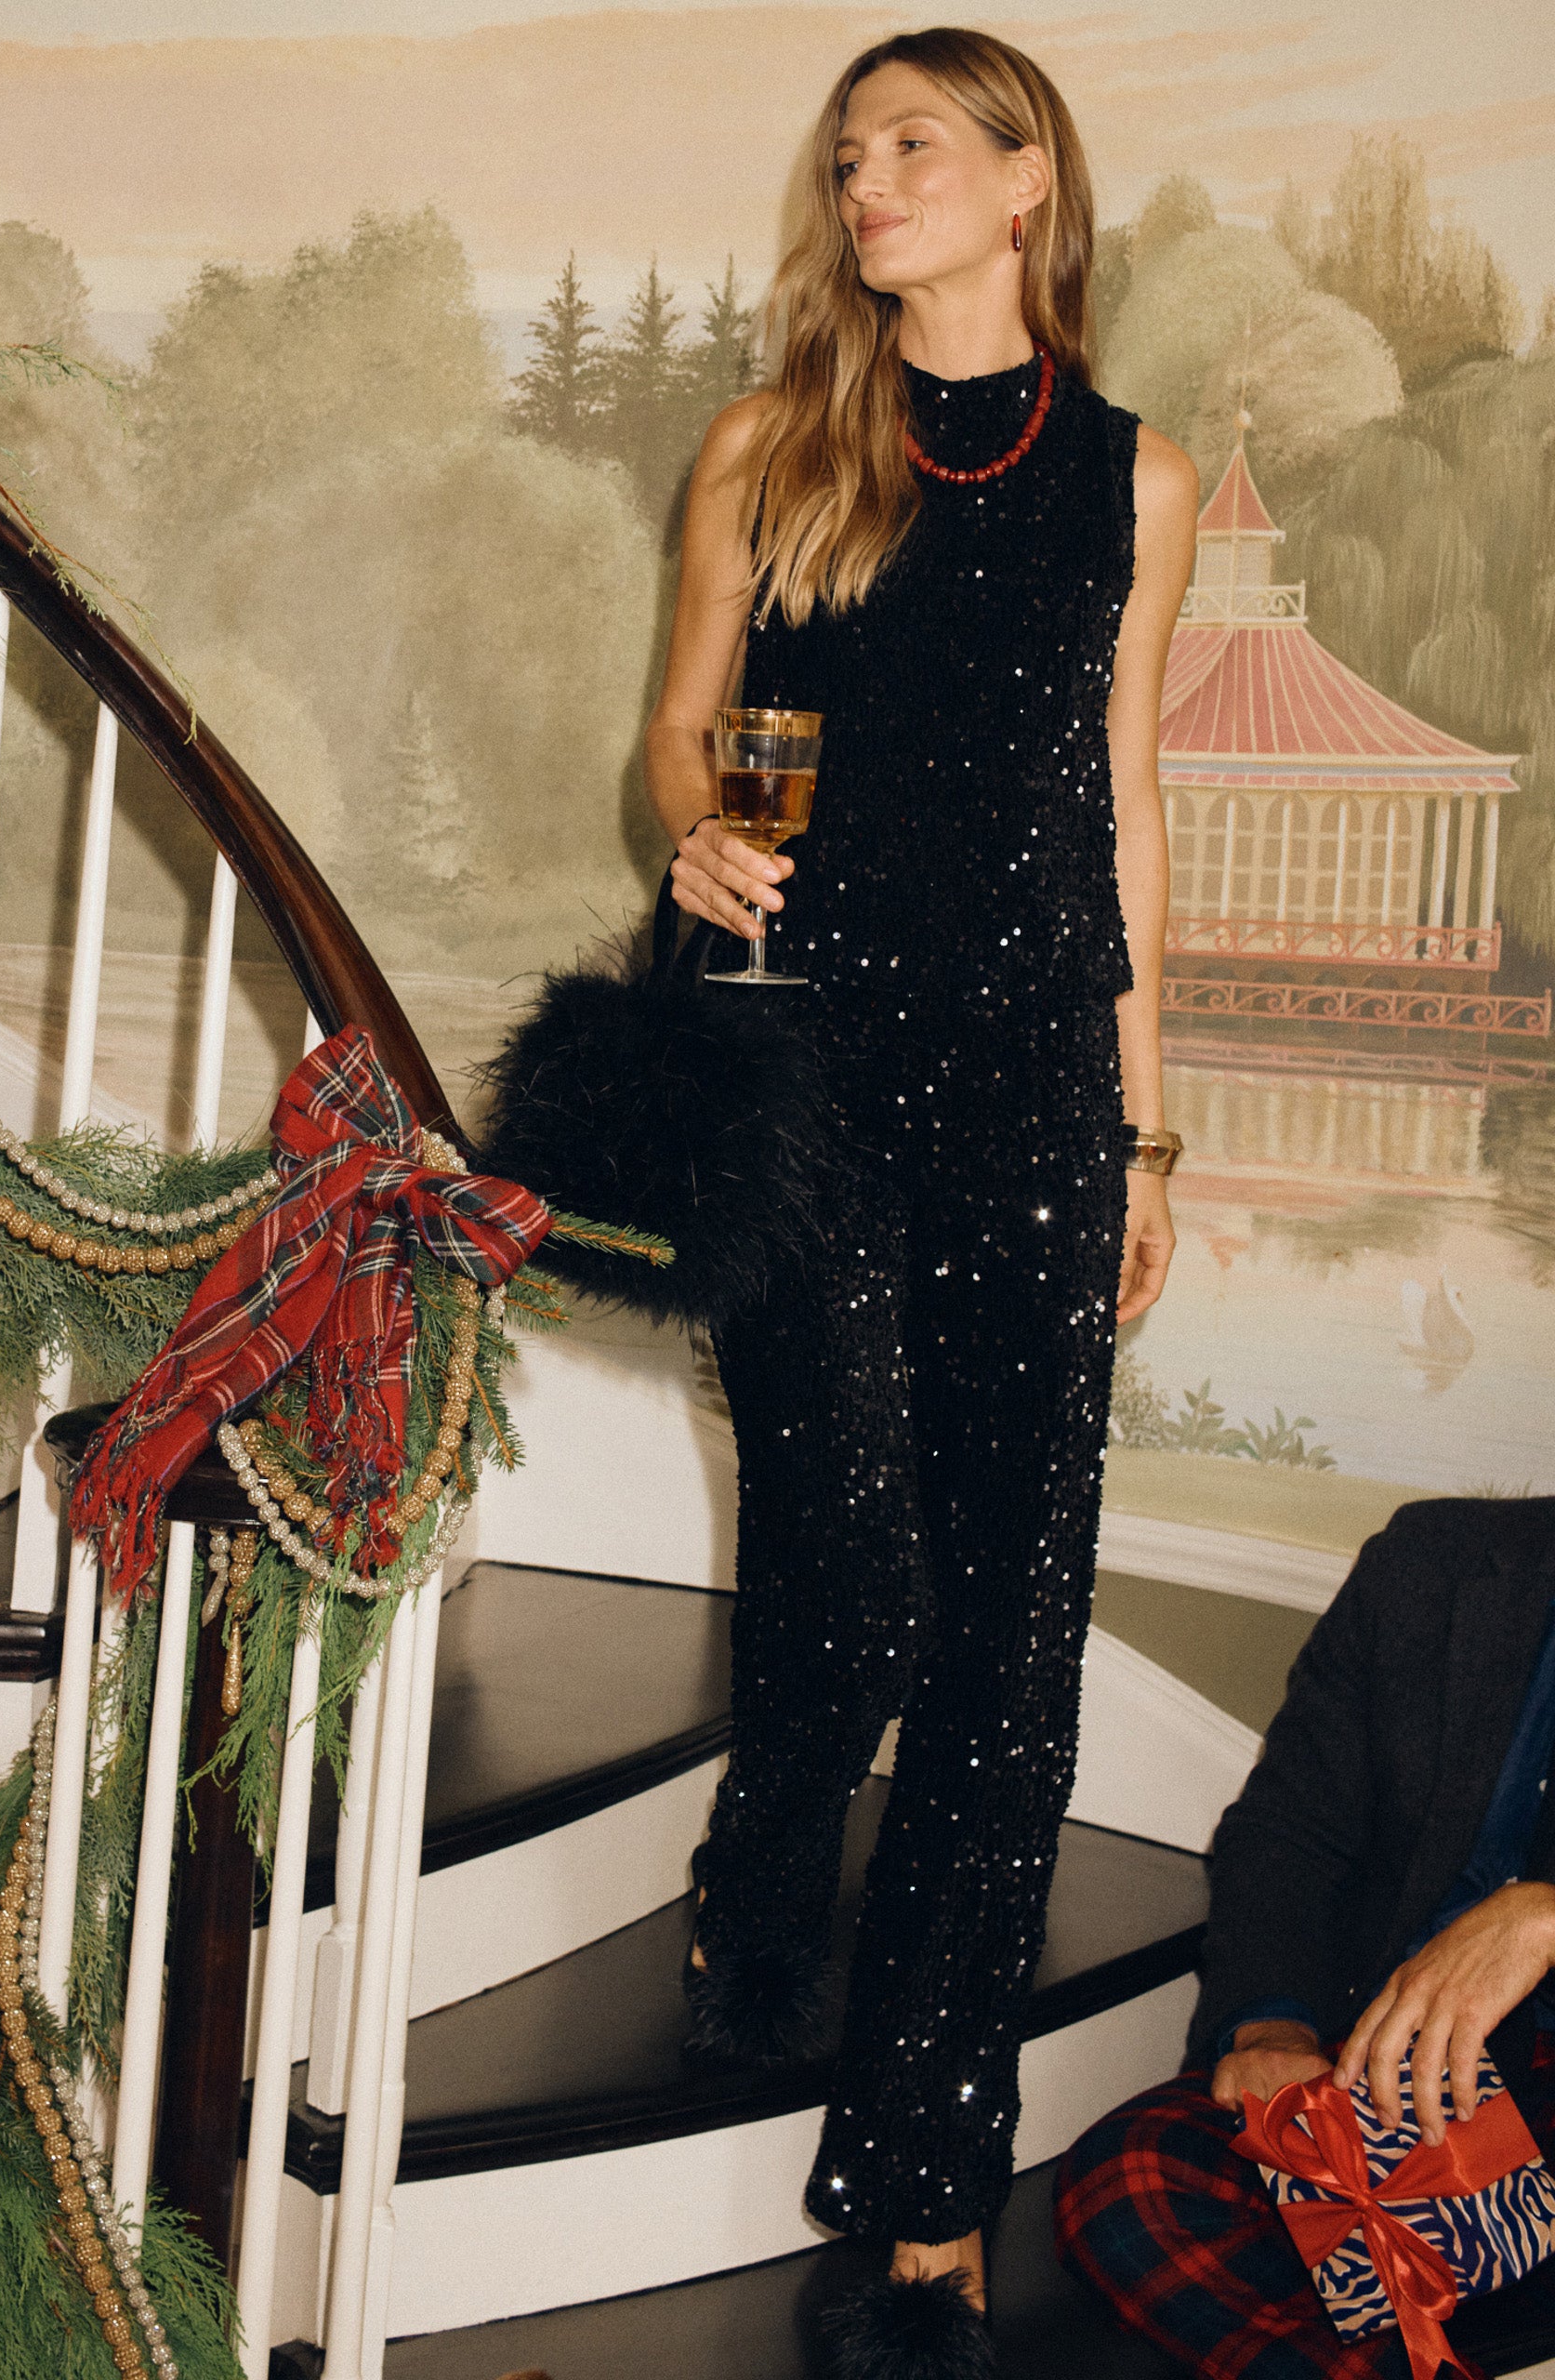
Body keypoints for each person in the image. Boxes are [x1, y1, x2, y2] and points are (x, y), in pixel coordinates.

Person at [642, 25, 1196, 2376]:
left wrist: (1145, 1126)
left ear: (1025, 176)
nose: (867, 181)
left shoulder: (1139, 478)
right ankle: (764, 1870)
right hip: (795, 1068)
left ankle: (926, 2177)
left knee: (1010, 1629)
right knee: (849, 1566)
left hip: (1033, 1090)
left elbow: (1126, 810)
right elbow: (679, 723)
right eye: (848, 152)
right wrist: (691, 824)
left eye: (913, 145)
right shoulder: (769, 446)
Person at [1054, 1494, 1555, 2377]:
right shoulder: (1435, 1559)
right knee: (1130, 2183)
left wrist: (1544, 1916)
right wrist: (1270, 2026)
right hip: (1379, 2071)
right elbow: (1287, 1829)